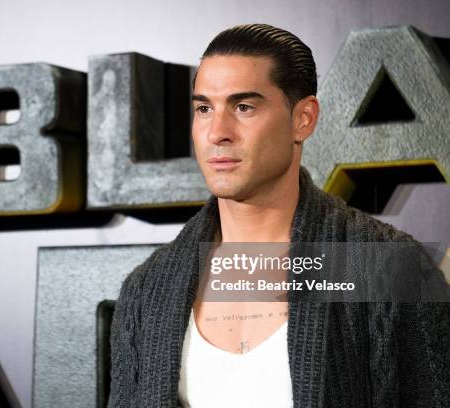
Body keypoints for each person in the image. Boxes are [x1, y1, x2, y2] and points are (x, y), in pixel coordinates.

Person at [108, 24, 449, 407]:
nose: (217, 132)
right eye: (204, 108)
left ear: (303, 118)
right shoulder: (147, 289)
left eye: (243, 107)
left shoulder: (388, 269)